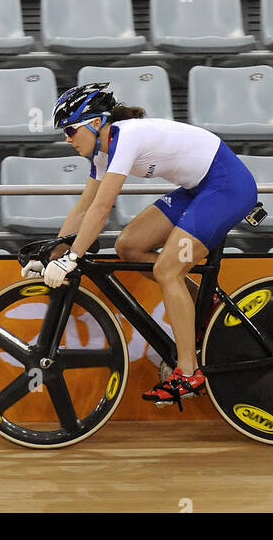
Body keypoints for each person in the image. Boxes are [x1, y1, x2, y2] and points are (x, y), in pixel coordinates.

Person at [27, 81, 258, 410]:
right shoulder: (103, 153)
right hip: (199, 189)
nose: (67, 138)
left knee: (168, 269)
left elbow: (102, 209)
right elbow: (82, 209)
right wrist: (54, 253)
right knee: (130, 246)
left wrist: (73, 257)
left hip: (226, 187)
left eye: (70, 129)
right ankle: (206, 307)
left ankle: (189, 373)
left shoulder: (125, 138)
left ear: (95, 123)